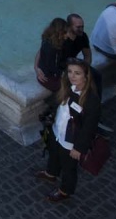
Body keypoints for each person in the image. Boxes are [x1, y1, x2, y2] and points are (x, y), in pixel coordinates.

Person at [36, 59, 101, 203]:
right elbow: (57, 103)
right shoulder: (67, 86)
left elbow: (89, 127)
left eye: (77, 73)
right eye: (70, 72)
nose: (72, 76)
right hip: (56, 132)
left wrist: (79, 148)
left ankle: (65, 191)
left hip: (71, 142)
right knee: (53, 154)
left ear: (86, 75)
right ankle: (51, 173)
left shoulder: (91, 99)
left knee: (68, 169)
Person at [35, 17, 67, 92]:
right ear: (59, 33)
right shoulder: (50, 47)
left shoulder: (47, 40)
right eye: (65, 33)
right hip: (47, 77)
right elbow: (51, 66)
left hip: (47, 73)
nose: (66, 35)